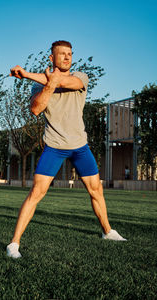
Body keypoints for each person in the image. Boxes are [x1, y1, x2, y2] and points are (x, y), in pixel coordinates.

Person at [7, 40, 127, 258]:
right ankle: (13, 244)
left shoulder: (81, 77)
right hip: (54, 146)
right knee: (36, 193)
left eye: (69, 54)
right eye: (61, 54)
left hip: (80, 146)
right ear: (51, 58)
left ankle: (107, 231)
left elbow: (67, 83)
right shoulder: (39, 85)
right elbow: (35, 109)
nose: (66, 57)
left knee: (96, 190)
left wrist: (26, 74)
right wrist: (48, 84)